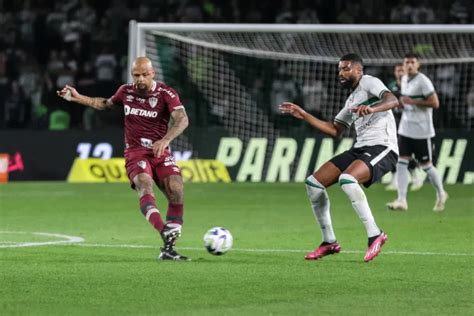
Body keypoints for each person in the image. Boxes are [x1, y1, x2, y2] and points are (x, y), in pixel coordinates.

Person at [57, 57, 190, 260]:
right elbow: (105, 104)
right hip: (136, 152)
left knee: (177, 189)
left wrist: (165, 140)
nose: (140, 79)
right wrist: (78, 98)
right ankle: (164, 231)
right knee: (144, 184)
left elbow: (182, 119)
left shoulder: (166, 93)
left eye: (145, 74)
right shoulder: (125, 91)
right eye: (136, 75)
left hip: (159, 151)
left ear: (153, 74)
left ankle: (168, 250)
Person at [280, 53, 399, 262]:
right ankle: (329, 242)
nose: (341, 73)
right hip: (360, 148)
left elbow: (392, 100)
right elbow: (335, 130)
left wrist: (372, 108)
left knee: (348, 180)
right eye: (339, 69)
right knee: (313, 183)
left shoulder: (369, 82)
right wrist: (304, 115)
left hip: (383, 146)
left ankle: (375, 234)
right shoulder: (351, 100)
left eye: (346, 68)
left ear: (359, 70)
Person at [386, 53, 448, 212]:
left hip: (422, 131)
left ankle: (441, 193)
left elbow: (435, 103)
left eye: (412, 62)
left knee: (426, 166)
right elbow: (406, 102)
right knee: (401, 163)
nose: (409, 65)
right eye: (407, 62)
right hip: (405, 129)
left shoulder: (424, 81)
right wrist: (402, 104)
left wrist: (413, 102)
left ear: (418, 64)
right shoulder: (405, 79)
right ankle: (401, 200)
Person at [385, 63, 423, 192]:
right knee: (393, 150)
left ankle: (416, 177)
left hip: (409, 121)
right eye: (397, 70)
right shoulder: (391, 86)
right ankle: (395, 178)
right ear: (395, 72)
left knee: (407, 151)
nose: (400, 72)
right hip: (394, 122)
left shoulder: (412, 85)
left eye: (402, 70)